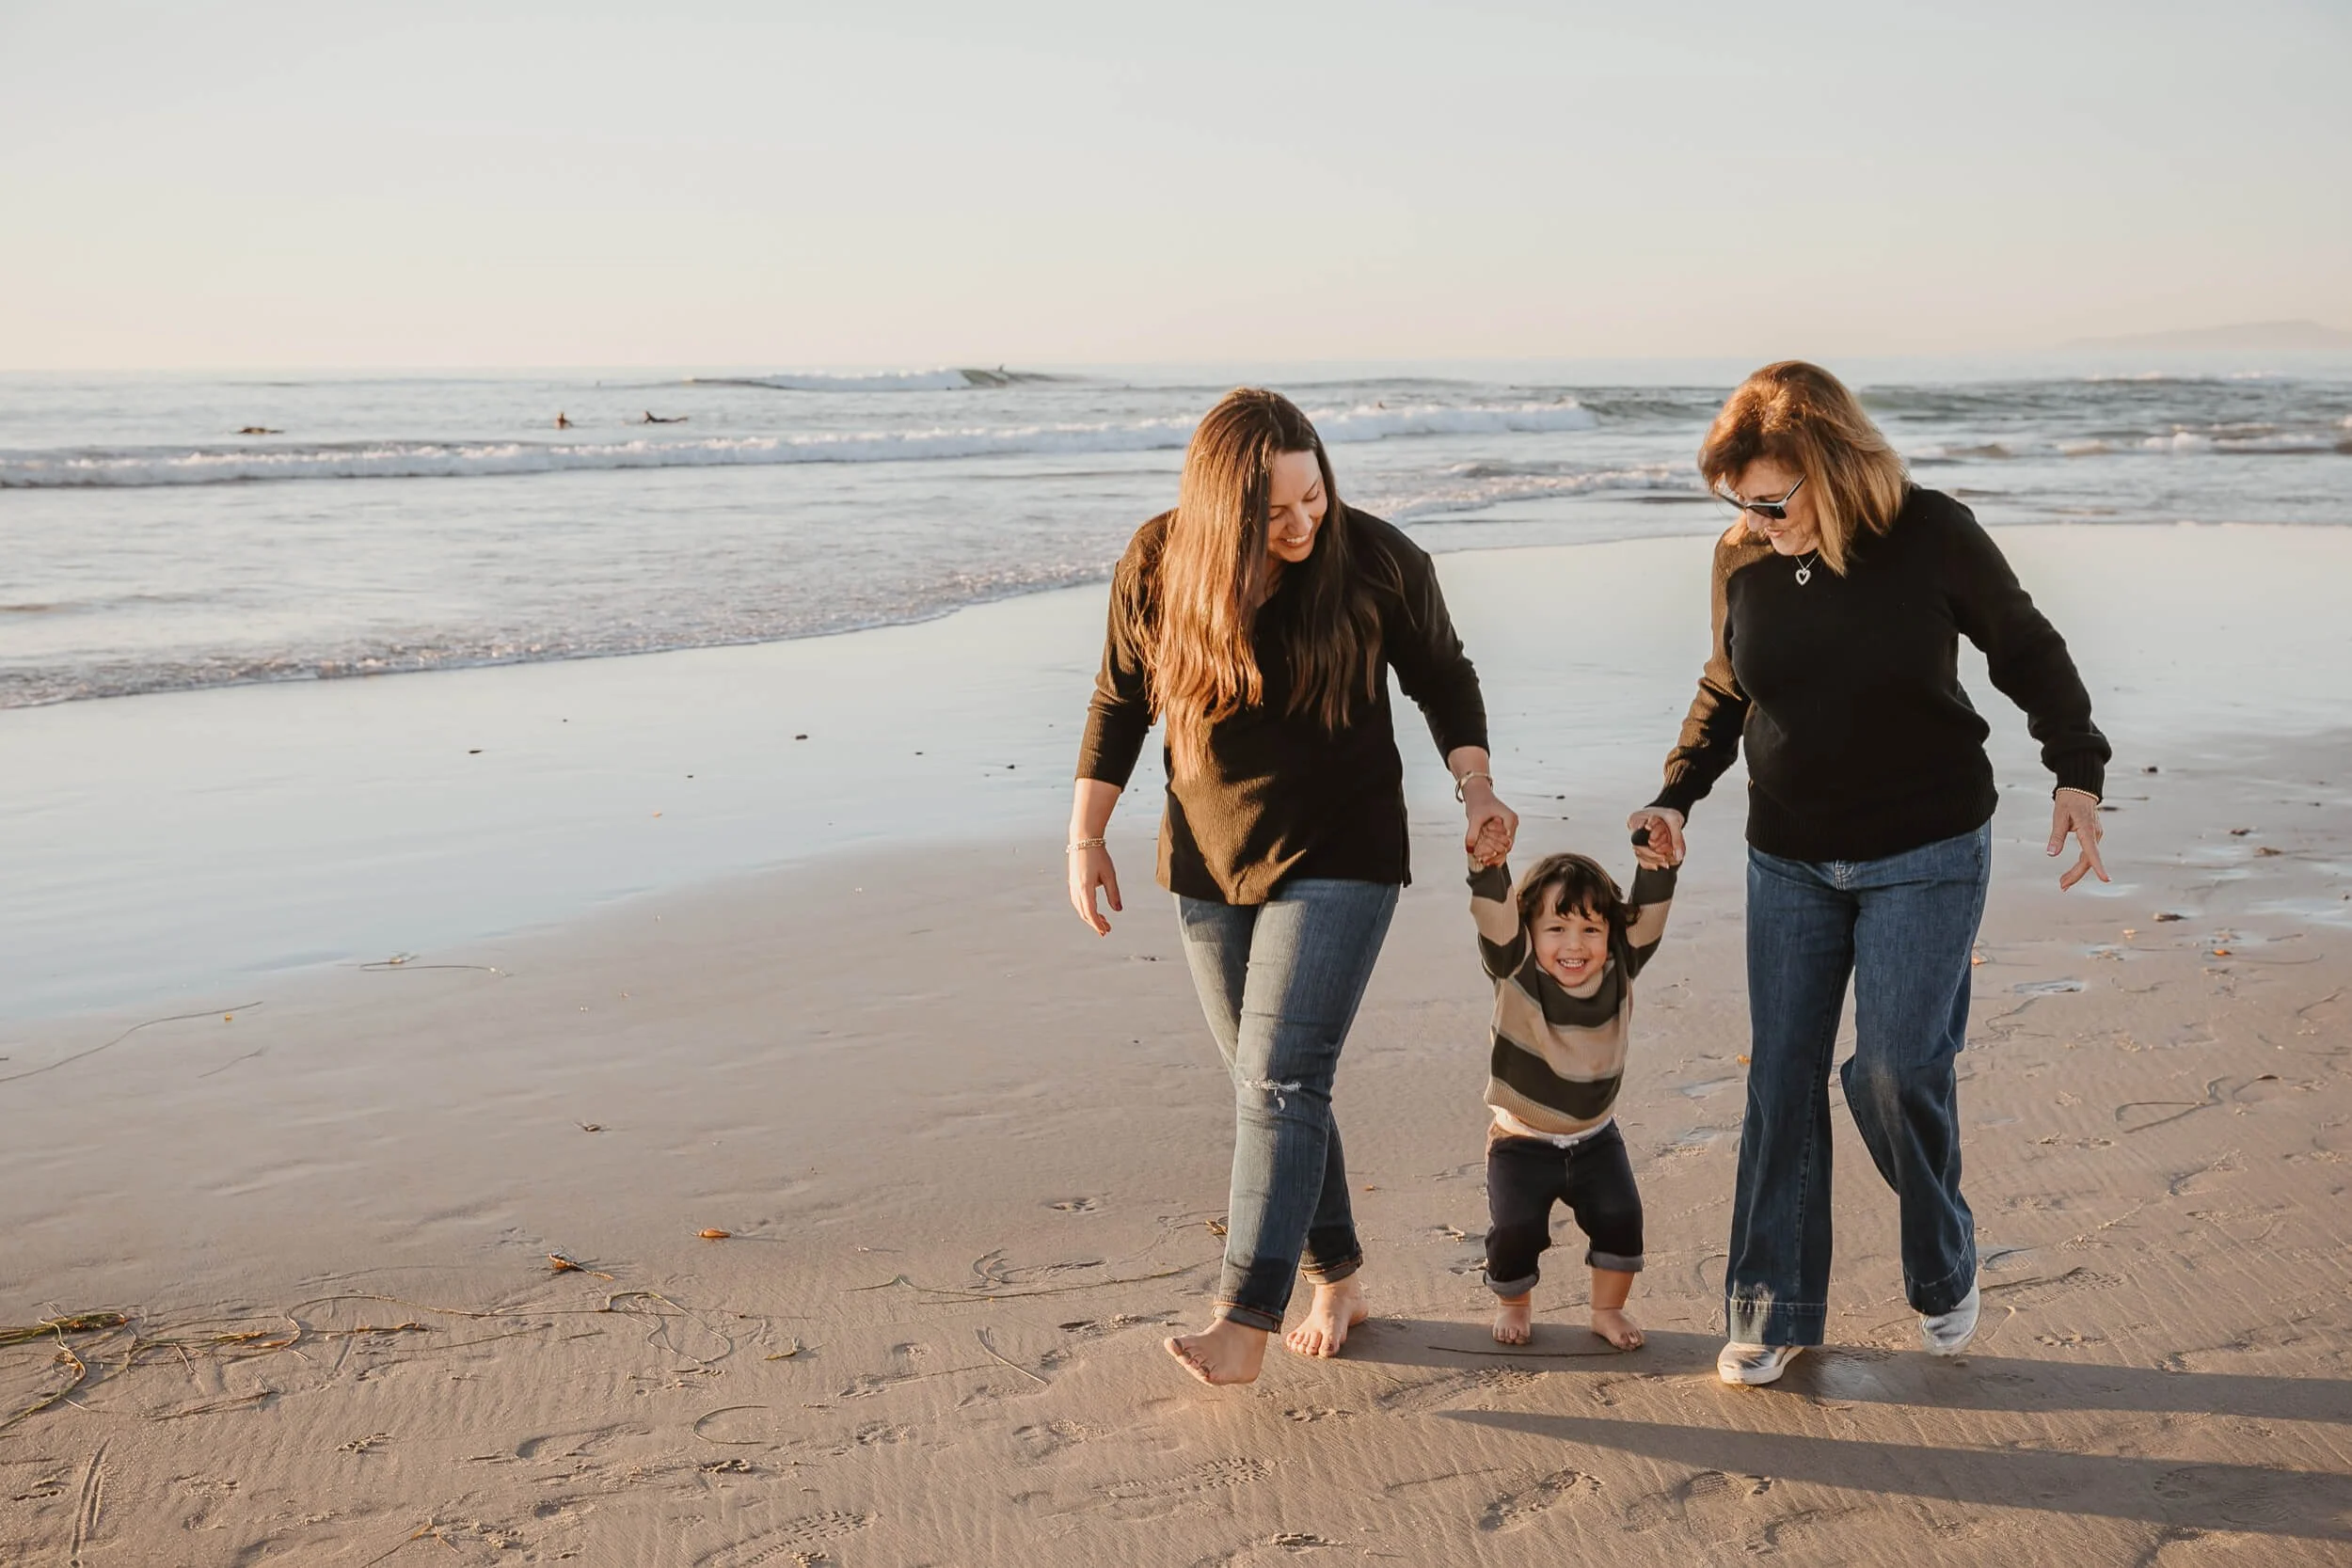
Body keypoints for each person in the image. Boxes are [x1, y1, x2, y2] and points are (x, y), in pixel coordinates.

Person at [1627, 361, 2110, 1386]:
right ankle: (1771, 1307)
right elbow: (1726, 683)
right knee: (1780, 1078)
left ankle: (1942, 1255)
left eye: (1772, 501)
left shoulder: (1930, 532)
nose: (1754, 522)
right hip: (1788, 856)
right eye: (1739, 503)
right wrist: (1675, 794)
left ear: (1834, 468)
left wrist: (2076, 769)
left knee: (1893, 1070)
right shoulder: (1742, 555)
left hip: (1926, 848)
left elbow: (2025, 646)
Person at [1069, 388, 1516, 1386]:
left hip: (1343, 848)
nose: (1303, 521)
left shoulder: (1380, 560)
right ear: (1219, 510)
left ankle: (1242, 1317)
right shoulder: (1157, 561)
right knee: (1274, 1081)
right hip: (1207, 853)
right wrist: (1084, 835)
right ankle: (1338, 1279)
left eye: (1313, 495)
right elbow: (1119, 698)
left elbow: (1443, 676)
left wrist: (1476, 784)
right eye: (1273, 511)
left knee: (1278, 1079)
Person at [1466, 837, 1677, 1350]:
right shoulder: (1516, 969)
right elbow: (1495, 918)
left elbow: (1648, 918)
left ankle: (1607, 1309)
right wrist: (1489, 866)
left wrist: (1657, 866)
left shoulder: (1619, 967)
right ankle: (1515, 1303)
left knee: (1621, 1219)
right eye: (1556, 929)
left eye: (1591, 929)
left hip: (1596, 1139)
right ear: (1529, 930)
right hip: (1520, 1141)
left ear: (1611, 934)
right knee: (1515, 1229)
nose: (1575, 946)